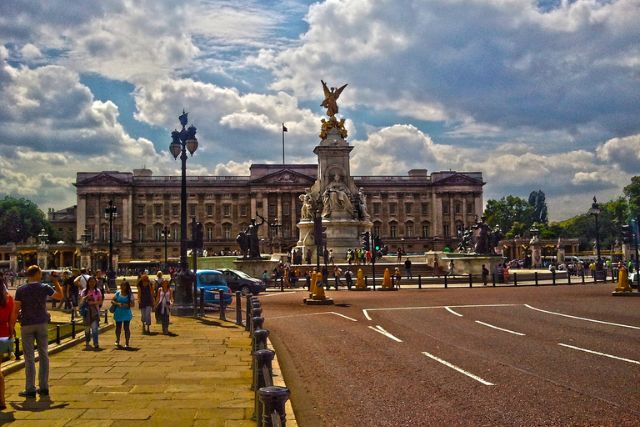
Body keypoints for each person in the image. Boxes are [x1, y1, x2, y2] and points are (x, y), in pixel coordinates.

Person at [13, 265, 63, 398]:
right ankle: (44, 386)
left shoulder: (20, 289)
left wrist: (11, 326)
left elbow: (15, 309)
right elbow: (59, 296)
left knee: (29, 358)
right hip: (41, 323)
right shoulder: (44, 287)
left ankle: (30, 388)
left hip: (27, 324)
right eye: (40, 273)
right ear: (35, 274)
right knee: (43, 355)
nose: (41, 275)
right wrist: (55, 281)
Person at [0, 282, 16, 409]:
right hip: (4, 335)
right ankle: (2, 400)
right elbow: (12, 320)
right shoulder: (9, 298)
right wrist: (11, 333)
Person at [81, 276, 102, 350]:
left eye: (93, 282)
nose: (92, 283)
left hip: (95, 312)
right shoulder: (84, 291)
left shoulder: (98, 291)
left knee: (94, 329)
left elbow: (100, 301)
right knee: (87, 329)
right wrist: (86, 297)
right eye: (90, 282)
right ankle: (87, 341)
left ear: (95, 282)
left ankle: (96, 343)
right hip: (86, 313)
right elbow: (81, 301)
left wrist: (93, 302)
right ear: (88, 283)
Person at [112, 281, 135, 349]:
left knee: (126, 328)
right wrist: (117, 304)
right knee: (118, 328)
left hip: (126, 313)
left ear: (127, 287)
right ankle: (117, 339)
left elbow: (133, 304)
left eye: (124, 286)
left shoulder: (130, 294)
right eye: (121, 285)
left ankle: (127, 342)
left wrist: (125, 304)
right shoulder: (118, 293)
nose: (122, 287)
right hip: (118, 312)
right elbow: (112, 301)